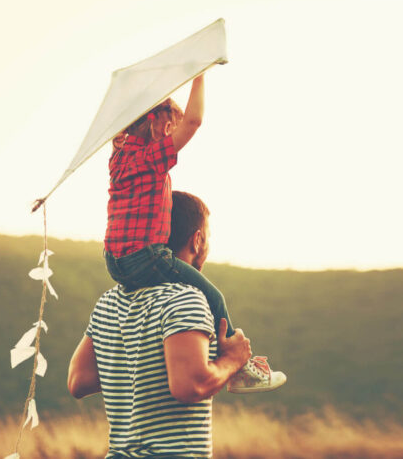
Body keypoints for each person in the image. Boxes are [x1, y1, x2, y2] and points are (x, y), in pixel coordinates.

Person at [68, 191, 286, 457]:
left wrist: (143, 364)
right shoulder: (185, 298)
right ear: (197, 240)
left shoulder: (109, 302)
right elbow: (189, 386)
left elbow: (79, 381)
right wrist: (232, 361)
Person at [104, 74, 283, 392]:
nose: (175, 133)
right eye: (171, 127)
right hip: (145, 256)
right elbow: (195, 121)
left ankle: (193, 350)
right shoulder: (150, 158)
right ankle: (238, 366)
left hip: (114, 261)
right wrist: (198, 75)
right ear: (159, 126)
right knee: (213, 297)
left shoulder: (118, 159)